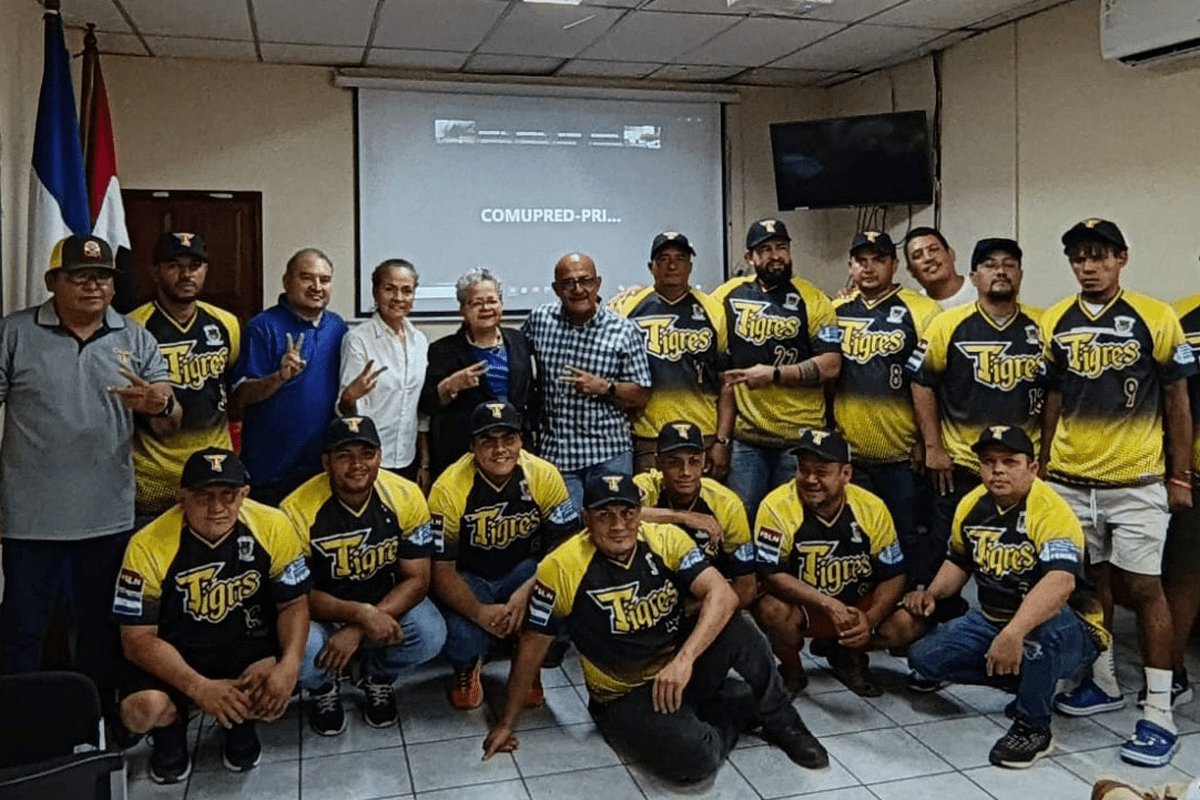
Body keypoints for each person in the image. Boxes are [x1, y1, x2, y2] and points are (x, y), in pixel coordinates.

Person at [481, 473, 829, 782]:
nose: (618, 525)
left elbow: (722, 594)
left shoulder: (667, 540)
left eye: (627, 513)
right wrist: (506, 723)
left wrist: (684, 660)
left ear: (640, 513)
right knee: (696, 762)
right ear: (586, 520)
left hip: (677, 669)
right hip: (623, 696)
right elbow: (532, 644)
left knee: (739, 626)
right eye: (605, 515)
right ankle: (732, 710)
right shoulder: (560, 567)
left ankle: (784, 721)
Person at [0, 234, 179, 715]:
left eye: (103, 278)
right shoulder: (13, 333)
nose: (93, 287)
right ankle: (21, 735)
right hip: (29, 521)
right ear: (52, 281)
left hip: (108, 517)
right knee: (23, 631)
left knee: (103, 629)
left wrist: (159, 402)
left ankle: (96, 723)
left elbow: (167, 409)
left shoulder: (134, 336)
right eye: (80, 276)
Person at [1041, 218, 1195, 766]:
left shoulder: (1156, 316)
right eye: (1079, 257)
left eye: (1099, 256)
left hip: (1136, 481)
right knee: (1089, 584)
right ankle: (1101, 680)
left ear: (1121, 258)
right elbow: (1053, 399)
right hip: (1070, 479)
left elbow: (1178, 402)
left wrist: (1180, 476)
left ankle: (1158, 713)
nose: (1088, 266)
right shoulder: (1055, 319)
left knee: (1146, 588)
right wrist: (1041, 467)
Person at [904, 426, 1108, 768]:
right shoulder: (971, 505)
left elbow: (1060, 583)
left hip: (1070, 627)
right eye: (989, 462)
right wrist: (932, 594)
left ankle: (1034, 727)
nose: (997, 470)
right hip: (991, 619)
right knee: (924, 658)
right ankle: (1028, 679)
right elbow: (959, 560)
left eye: (1010, 462)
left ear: (1033, 468)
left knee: (1039, 638)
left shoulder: (1052, 510)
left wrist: (1013, 633)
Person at [112, 447, 311, 783]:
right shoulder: (147, 543)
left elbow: (293, 603)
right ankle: (171, 729)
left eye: (228, 495)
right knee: (140, 709)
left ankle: (238, 722)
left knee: (272, 676)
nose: (218, 507)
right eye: (204, 496)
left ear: (244, 494)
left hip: (243, 647)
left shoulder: (273, 524)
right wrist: (199, 687)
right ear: (182, 498)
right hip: (177, 656)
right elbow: (136, 639)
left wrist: (289, 666)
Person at [282, 416, 446, 735]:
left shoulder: (406, 494)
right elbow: (295, 596)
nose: (358, 464)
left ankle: (376, 675)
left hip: (385, 603)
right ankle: (323, 688)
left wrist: (362, 624)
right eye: (344, 455)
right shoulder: (295, 509)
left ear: (380, 457)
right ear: (326, 462)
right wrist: (358, 616)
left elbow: (418, 579)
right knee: (298, 648)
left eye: (367, 453)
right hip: (323, 614)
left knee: (430, 631)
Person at [908, 237, 1045, 589]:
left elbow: (1058, 392)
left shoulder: (1044, 325)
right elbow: (921, 382)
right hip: (962, 464)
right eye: (989, 264)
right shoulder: (946, 324)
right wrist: (933, 446)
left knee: (1022, 555)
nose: (1000, 270)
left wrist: (1044, 455)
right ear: (973, 276)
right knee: (946, 552)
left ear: (1021, 274)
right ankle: (938, 629)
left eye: (1009, 264)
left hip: (1023, 467)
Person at [428, 401, 580, 709]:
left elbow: (567, 548)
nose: (500, 449)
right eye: (488, 440)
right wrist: (480, 613)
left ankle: (528, 662)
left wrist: (527, 593)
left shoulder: (543, 475)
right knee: (459, 635)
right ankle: (467, 666)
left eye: (508, 439)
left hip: (521, 574)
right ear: (472, 446)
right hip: (470, 579)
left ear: (521, 441)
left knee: (561, 589)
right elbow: (441, 571)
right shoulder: (448, 488)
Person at [753, 428, 918, 697]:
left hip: (856, 605)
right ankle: (792, 671)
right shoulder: (776, 505)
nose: (810, 479)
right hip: (807, 605)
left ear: (846, 475)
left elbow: (894, 573)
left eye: (821, 472)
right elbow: (771, 574)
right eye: (803, 470)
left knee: (908, 623)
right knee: (771, 609)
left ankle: (850, 658)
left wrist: (870, 618)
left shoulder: (872, 507)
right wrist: (827, 603)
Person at [831, 231, 941, 588]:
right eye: (861, 261)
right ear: (850, 266)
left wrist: (928, 441)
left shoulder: (922, 310)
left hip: (901, 453)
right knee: (856, 539)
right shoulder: (835, 312)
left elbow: (933, 382)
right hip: (850, 452)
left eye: (879, 259)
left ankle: (905, 617)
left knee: (904, 536)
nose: (869, 268)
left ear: (894, 265)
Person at [712, 219, 842, 517]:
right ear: (750, 258)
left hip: (800, 439)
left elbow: (832, 365)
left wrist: (774, 374)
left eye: (781, 247)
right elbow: (689, 304)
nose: (775, 255)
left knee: (794, 518)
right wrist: (637, 292)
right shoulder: (728, 295)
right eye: (765, 249)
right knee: (742, 517)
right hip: (747, 438)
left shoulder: (814, 299)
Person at [520, 252, 652, 511]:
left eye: (586, 281)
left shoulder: (624, 330)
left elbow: (642, 395)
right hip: (556, 458)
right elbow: (516, 360)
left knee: (613, 532)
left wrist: (606, 387)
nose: (578, 289)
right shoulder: (539, 321)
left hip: (609, 455)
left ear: (598, 283)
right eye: (568, 283)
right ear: (556, 289)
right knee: (565, 536)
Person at [130, 232, 241, 527]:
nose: (186, 273)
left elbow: (228, 389)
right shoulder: (133, 327)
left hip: (214, 480)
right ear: (155, 271)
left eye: (195, 265)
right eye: (174, 265)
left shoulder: (227, 324)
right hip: (153, 482)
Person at [232, 247, 348, 505]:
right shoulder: (263, 326)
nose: (317, 286)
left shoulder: (338, 327)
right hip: (270, 472)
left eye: (325, 280)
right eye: (307, 278)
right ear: (287, 282)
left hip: (320, 471)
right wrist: (279, 377)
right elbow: (241, 395)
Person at [613, 232, 727, 474]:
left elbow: (728, 382)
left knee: (704, 509)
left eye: (680, 258)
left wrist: (722, 441)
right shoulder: (626, 307)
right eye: (663, 258)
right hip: (648, 436)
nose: (672, 265)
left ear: (690, 266)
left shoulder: (714, 310)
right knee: (651, 510)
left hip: (702, 434)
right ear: (650, 267)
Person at [421, 267, 537, 478]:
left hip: (514, 451)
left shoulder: (519, 341)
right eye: (476, 303)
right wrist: (451, 385)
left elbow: (529, 394)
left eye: (492, 301)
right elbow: (427, 404)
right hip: (464, 454)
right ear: (463, 309)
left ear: (501, 304)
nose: (486, 308)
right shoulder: (443, 350)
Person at [633, 421, 755, 606]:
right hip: (653, 601)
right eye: (675, 462)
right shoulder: (647, 485)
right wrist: (683, 516)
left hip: (709, 600)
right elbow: (619, 515)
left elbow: (747, 587)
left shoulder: (727, 504)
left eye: (694, 461)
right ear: (658, 463)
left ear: (704, 462)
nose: (686, 472)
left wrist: (695, 611)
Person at [337, 259, 430, 489]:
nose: (399, 298)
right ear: (375, 292)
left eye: (406, 291)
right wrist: (349, 397)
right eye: (390, 289)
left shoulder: (419, 340)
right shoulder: (358, 340)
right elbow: (345, 409)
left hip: (408, 457)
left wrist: (425, 462)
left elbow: (420, 411)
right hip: (369, 461)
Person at [1164, 277, 1200, 708]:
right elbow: (1169, 399)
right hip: (1193, 474)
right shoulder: (1179, 317)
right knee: (1185, 574)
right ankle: (1171, 668)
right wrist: (1177, 472)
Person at [903, 226, 973, 309]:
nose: (928, 258)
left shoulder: (981, 289)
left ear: (951, 254)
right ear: (911, 271)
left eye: (933, 249)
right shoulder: (915, 309)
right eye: (918, 255)